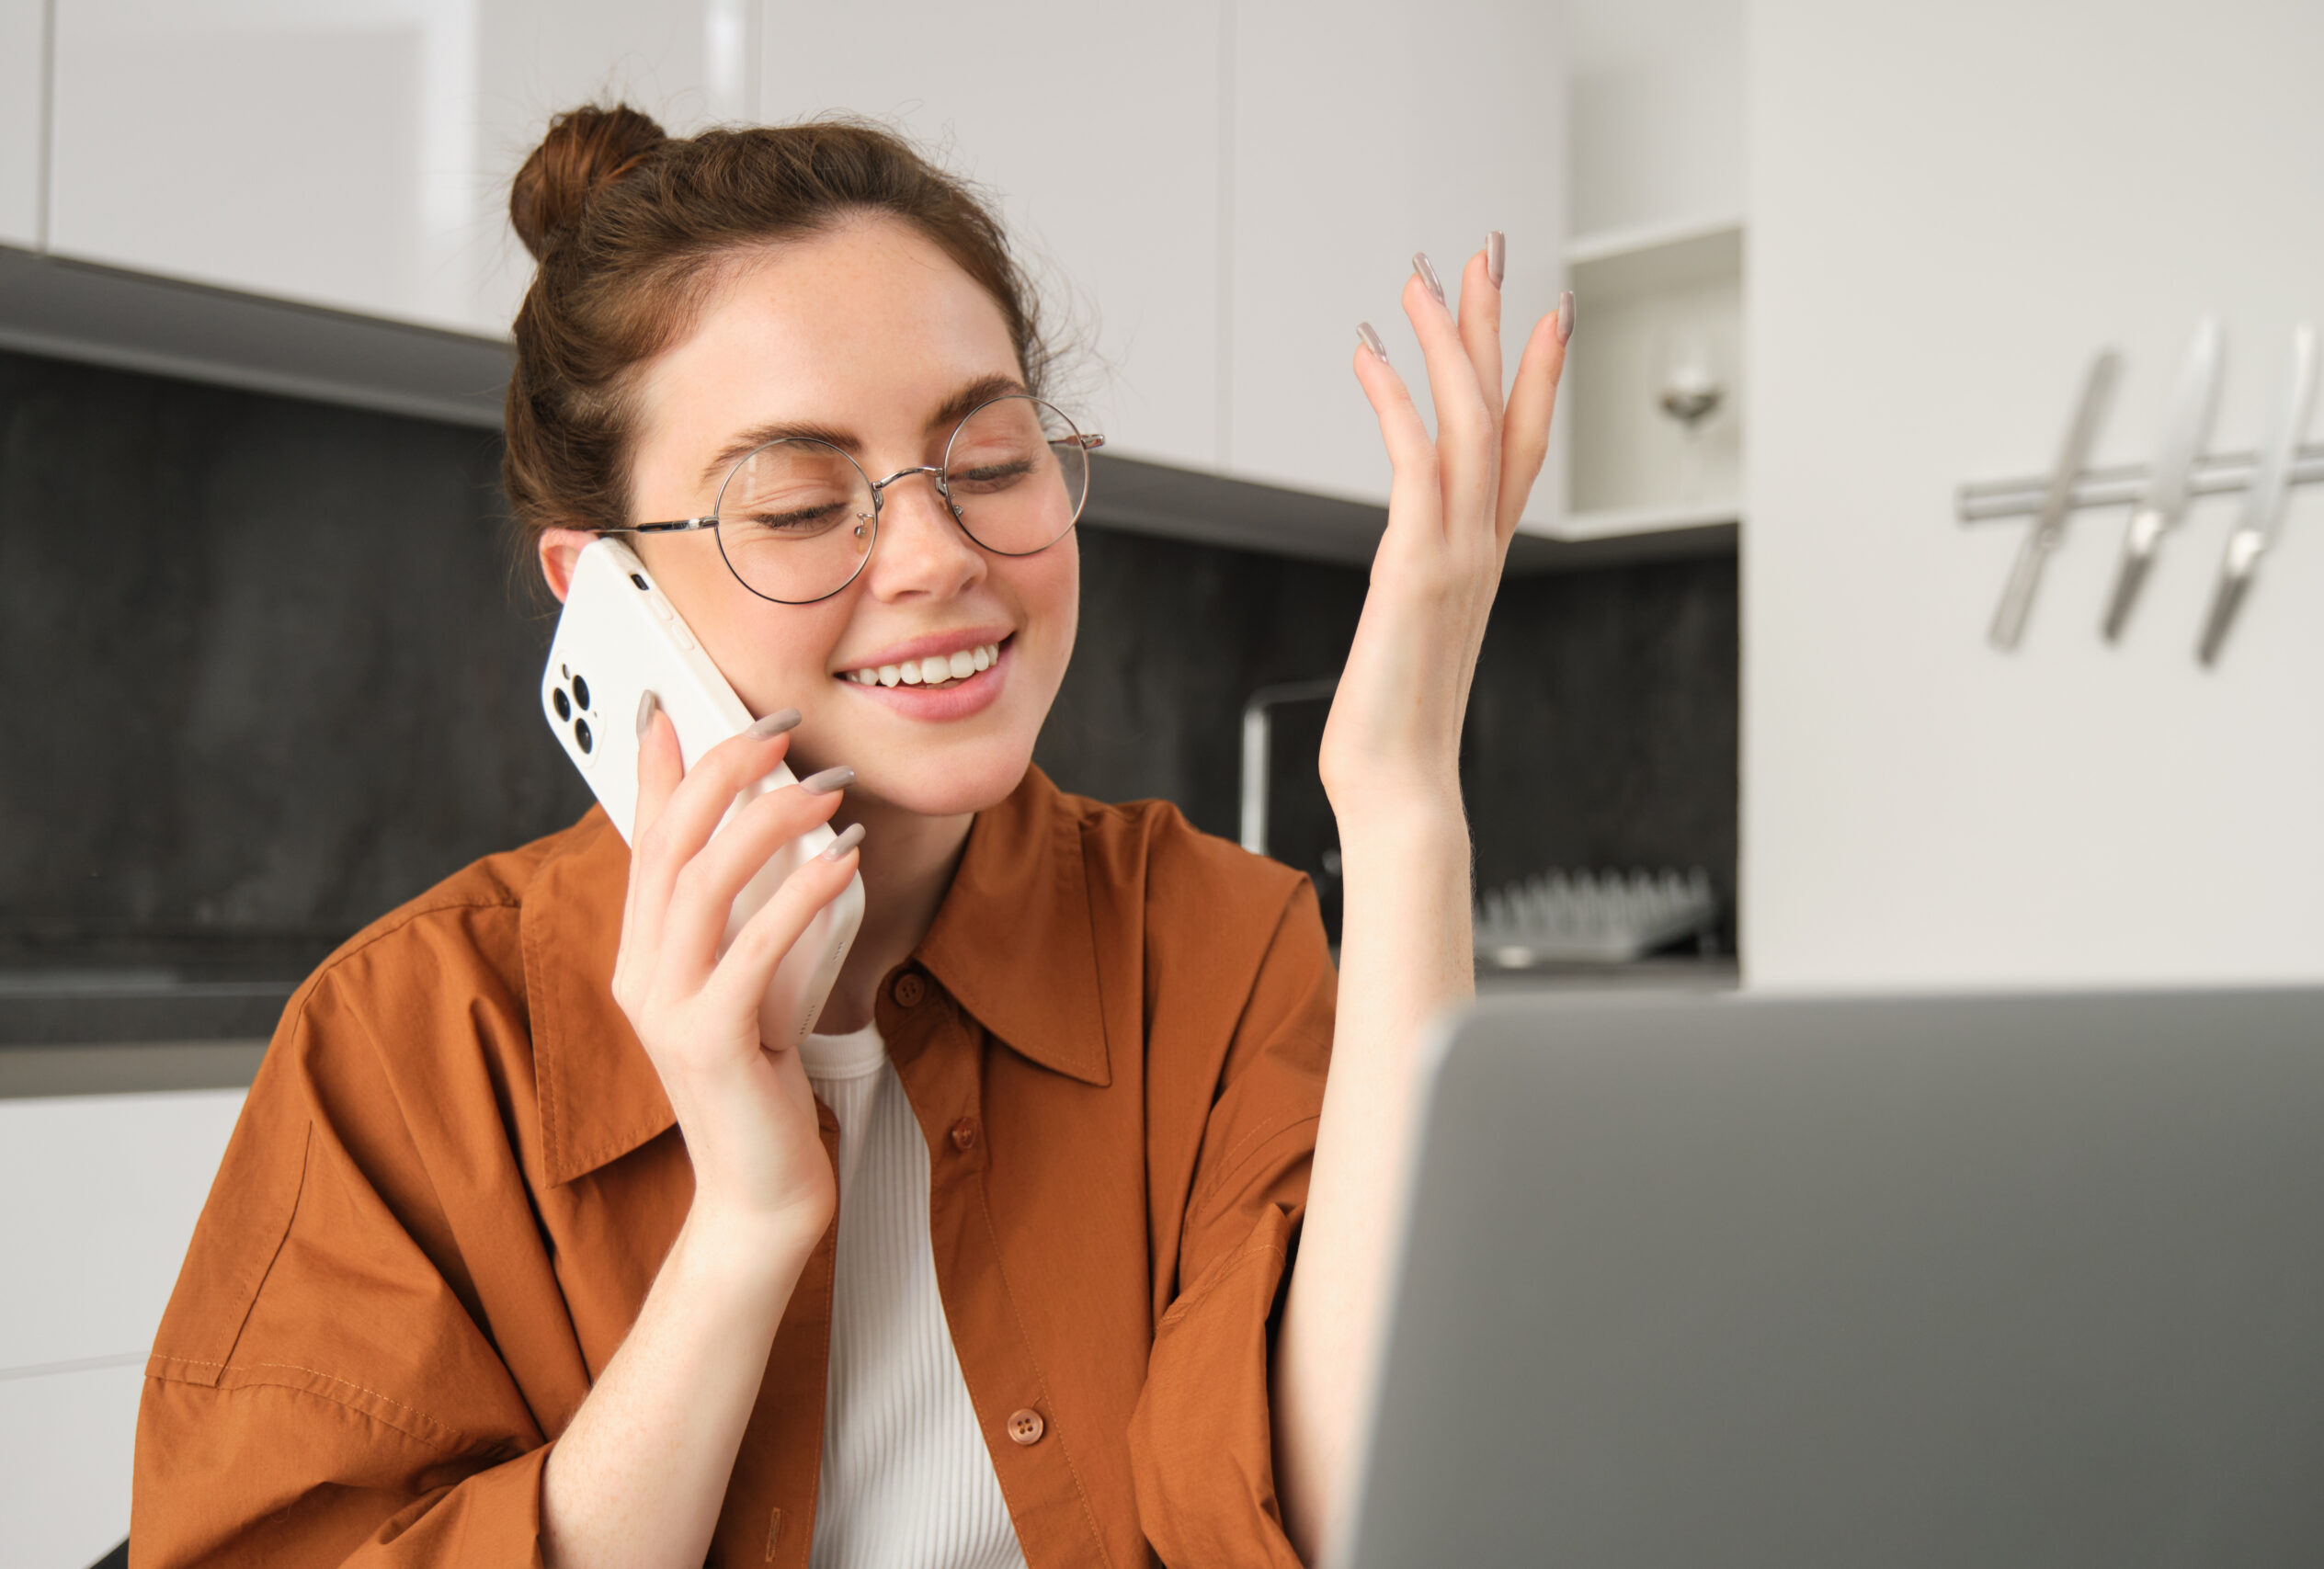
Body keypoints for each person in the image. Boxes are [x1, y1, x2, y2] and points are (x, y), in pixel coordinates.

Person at [129, 105, 1568, 1569]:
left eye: (993, 461)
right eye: (805, 503)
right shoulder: (410, 1040)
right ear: (605, 592)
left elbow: (1346, 1515)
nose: (942, 556)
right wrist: (746, 1226)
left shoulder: (1214, 944)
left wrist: (1399, 807)